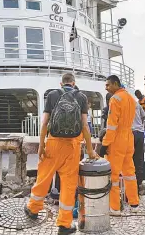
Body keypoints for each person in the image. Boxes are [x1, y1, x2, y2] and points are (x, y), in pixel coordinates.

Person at [24, 73, 97, 235]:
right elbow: (85, 126)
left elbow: (44, 123)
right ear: (74, 83)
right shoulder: (82, 97)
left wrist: (42, 144)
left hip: (52, 143)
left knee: (43, 178)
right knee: (69, 185)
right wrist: (90, 151)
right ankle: (64, 224)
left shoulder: (52, 95)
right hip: (72, 146)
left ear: (61, 83)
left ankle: (33, 209)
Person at [99, 75, 139, 215]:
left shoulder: (115, 99)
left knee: (114, 175)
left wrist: (105, 144)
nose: (106, 88)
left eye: (108, 85)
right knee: (129, 172)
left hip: (117, 140)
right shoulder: (131, 98)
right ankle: (134, 203)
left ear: (115, 84)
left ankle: (115, 208)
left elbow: (111, 125)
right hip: (129, 137)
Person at [132, 103, 145, 194]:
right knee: (139, 159)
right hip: (140, 133)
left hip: (129, 133)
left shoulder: (121, 102)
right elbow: (143, 116)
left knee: (129, 160)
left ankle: (131, 187)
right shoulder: (137, 104)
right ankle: (139, 185)